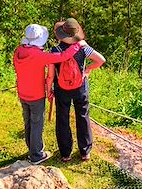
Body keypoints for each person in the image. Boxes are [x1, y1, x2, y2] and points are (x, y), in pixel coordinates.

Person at [13, 23, 87, 165]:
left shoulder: (19, 51)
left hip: (23, 92)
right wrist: (78, 45)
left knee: (28, 121)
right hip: (36, 95)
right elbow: (63, 56)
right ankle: (36, 155)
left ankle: (31, 148)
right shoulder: (39, 55)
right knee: (37, 123)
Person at [47, 18, 105, 162]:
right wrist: (88, 69)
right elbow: (101, 60)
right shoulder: (83, 48)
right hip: (80, 87)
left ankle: (65, 153)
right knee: (83, 116)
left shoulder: (55, 50)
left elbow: (50, 75)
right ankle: (85, 152)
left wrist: (49, 90)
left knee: (62, 118)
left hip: (61, 88)